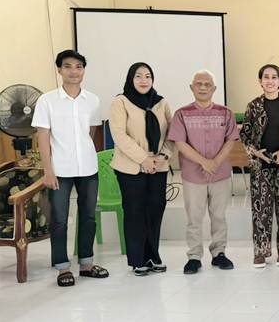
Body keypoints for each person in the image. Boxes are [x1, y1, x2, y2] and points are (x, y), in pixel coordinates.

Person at [32, 49, 109, 287]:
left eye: (78, 66)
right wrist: (48, 170)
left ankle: (86, 263)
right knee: (59, 219)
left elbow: (93, 132)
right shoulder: (47, 100)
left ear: (83, 70)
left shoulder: (93, 100)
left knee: (88, 216)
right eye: (67, 66)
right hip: (59, 169)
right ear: (59, 70)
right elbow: (42, 137)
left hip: (88, 167)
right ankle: (62, 267)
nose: (73, 71)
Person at [166, 70, 239, 275]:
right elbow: (180, 143)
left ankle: (219, 253)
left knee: (219, 216)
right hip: (193, 175)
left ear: (214, 89)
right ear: (192, 87)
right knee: (194, 217)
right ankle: (194, 256)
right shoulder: (182, 114)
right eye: (199, 84)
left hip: (220, 173)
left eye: (207, 84)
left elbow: (231, 140)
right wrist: (204, 162)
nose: (203, 87)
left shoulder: (225, 113)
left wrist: (215, 162)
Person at [109, 62, 174, 276]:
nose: (144, 80)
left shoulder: (161, 103)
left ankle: (153, 256)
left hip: (159, 166)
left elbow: (172, 134)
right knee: (135, 212)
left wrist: (162, 156)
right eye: (138, 76)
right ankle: (138, 259)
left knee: (155, 210)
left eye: (148, 76)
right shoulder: (121, 101)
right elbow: (119, 135)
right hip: (130, 168)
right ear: (131, 79)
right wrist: (143, 159)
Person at [240, 64, 279, 268]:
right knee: (261, 210)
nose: (270, 80)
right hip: (260, 165)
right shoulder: (253, 106)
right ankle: (260, 252)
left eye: (274, 77)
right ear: (260, 81)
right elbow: (245, 134)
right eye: (265, 77)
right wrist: (254, 152)